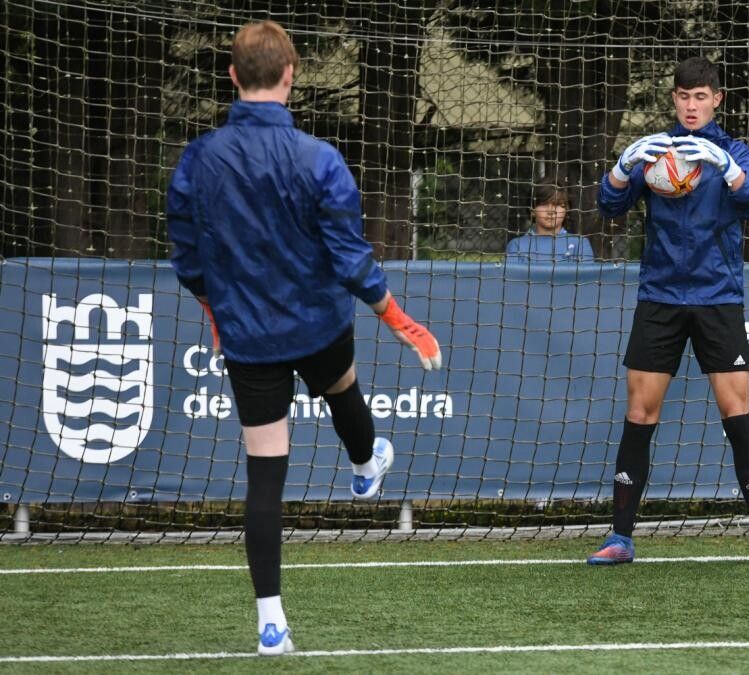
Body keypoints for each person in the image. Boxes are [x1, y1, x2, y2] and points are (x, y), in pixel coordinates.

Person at [167, 21, 442, 656]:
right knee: (341, 381)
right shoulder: (319, 158)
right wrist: (399, 319)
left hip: (250, 337)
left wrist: (215, 307)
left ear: (233, 76)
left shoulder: (198, 159)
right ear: (291, 75)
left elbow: (188, 260)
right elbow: (351, 260)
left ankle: (272, 625)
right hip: (317, 324)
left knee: (265, 475)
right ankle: (364, 463)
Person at [588, 56, 749, 567]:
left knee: (737, 413)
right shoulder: (657, 153)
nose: (692, 105)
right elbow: (609, 206)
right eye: (683, 96)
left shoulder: (731, 151)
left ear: (716, 99)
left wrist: (729, 169)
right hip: (660, 297)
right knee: (639, 413)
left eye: (701, 96)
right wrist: (621, 168)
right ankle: (621, 537)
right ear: (673, 99)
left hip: (717, 298)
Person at [505, 178, 595, 263]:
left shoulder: (579, 244)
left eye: (557, 204)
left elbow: (586, 279)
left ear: (566, 209)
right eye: (544, 204)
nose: (551, 211)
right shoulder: (517, 245)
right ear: (532, 210)